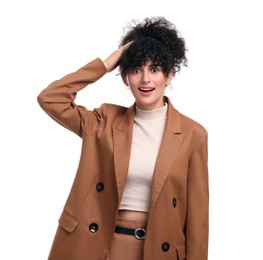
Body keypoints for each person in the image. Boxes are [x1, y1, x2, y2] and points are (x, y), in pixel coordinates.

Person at [38, 16, 209, 260]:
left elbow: (198, 218)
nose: (145, 79)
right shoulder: (103, 121)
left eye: (155, 69)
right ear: (125, 77)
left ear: (169, 75)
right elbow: (50, 98)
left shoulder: (193, 134)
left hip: (157, 250)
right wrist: (105, 64)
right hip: (99, 246)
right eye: (136, 69)